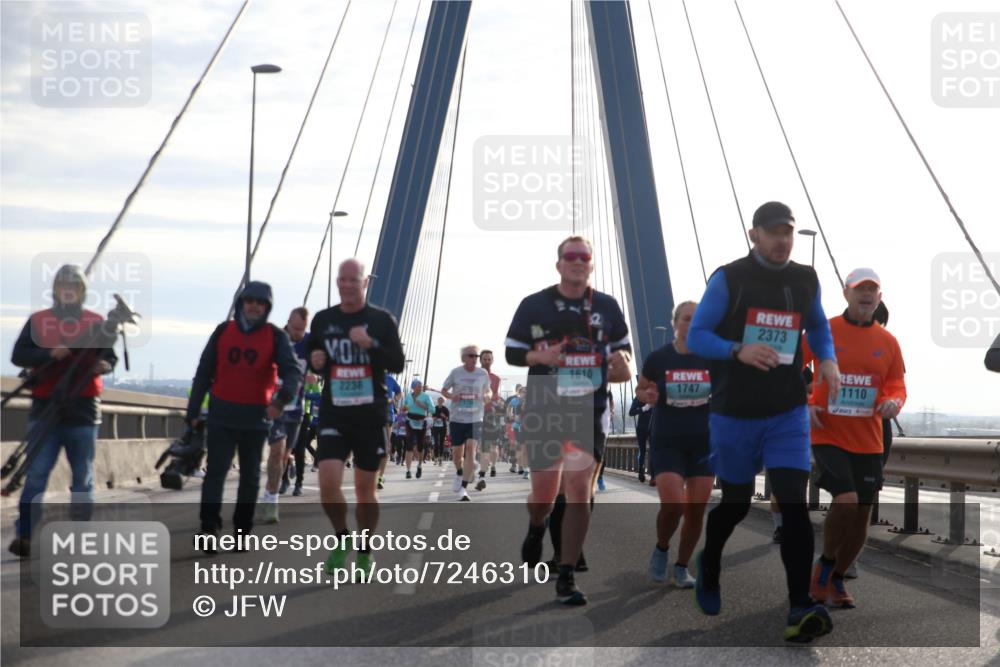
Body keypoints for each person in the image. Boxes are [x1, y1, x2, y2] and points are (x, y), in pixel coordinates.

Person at [687, 201, 839, 641]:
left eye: (788, 232)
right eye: (773, 233)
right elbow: (698, 335)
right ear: (753, 234)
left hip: (787, 410)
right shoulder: (729, 278)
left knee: (792, 502)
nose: (782, 241)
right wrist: (738, 350)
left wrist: (826, 358)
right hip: (734, 412)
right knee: (735, 501)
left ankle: (798, 607)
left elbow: (817, 326)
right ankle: (709, 561)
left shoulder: (804, 278)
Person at [506, 235, 632, 605]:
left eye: (584, 257)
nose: (577, 262)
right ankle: (536, 526)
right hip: (546, 404)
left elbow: (623, 357)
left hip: (589, 408)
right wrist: (540, 358)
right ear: (559, 264)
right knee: (545, 495)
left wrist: (623, 363)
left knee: (580, 489)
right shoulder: (535, 305)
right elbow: (513, 352)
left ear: (591, 264)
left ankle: (566, 574)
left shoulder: (607, 307)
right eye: (570, 256)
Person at [806, 268, 906, 608]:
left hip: (869, 438)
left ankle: (836, 576)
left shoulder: (888, 342)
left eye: (871, 290)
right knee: (845, 499)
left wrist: (894, 400)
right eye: (858, 289)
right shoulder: (824, 331)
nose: (865, 294)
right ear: (846, 294)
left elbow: (896, 384)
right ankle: (825, 566)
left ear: (879, 297)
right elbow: (789, 365)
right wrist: (803, 402)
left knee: (862, 513)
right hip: (828, 433)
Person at [8, 264, 118, 558]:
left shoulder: (96, 322)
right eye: (63, 287)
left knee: (82, 477)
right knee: (36, 475)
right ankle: (26, 534)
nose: (68, 291)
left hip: (82, 409)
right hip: (46, 408)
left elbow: (110, 356)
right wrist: (48, 353)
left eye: (73, 287)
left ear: (81, 292)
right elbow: (18, 355)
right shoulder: (39, 321)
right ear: (56, 290)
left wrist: (103, 365)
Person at [307, 258, 404, 578]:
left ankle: (365, 549)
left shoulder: (381, 320)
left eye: (354, 279)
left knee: (365, 491)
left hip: (369, 413)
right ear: (337, 283)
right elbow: (314, 357)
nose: (348, 285)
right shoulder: (323, 320)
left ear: (365, 283)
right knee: (328, 483)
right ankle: (341, 539)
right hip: (335, 410)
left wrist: (371, 344)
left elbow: (397, 363)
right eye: (343, 279)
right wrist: (316, 360)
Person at [188, 281, 302, 551]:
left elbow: (293, 373)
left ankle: (241, 530)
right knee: (215, 473)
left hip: (255, 418)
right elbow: (204, 371)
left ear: (267, 307)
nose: (254, 306)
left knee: (250, 477)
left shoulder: (275, 337)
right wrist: (193, 411)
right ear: (241, 303)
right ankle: (209, 528)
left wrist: (280, 402)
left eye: (260, 302)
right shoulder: (223, 331)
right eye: (249, 300)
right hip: (221, 415)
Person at [637, 301, 714, 588]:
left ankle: (682, 567)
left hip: (703, 443)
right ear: (675, 323)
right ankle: (661, 547)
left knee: (696, 510)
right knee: (674, 506)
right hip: (668, 441)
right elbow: (641, 387)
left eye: (698, 320)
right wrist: (646, 396)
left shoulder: (712, 358)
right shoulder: (659, 358)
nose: (691, 325)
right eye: (686, 319)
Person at [261, 307, 311, 522]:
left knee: (285, 455)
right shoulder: (275, 339)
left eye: (302, 329)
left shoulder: (309, 342)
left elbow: (325, 361)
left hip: (297, 410)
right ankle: (271, 499)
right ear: (288, 322)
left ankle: (278, 481)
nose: (298, 333)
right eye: (295, 328)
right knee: (277, 452)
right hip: (276, 407)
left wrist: (317, 370)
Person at [440, 345, 492, 501]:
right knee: (457, 454)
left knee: (471, 448)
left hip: (475, 418)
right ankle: (459, 472)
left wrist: (488, 395)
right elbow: (444, 390)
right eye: (471, 355)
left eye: (476, 356)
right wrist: (451, 397)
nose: (474, 359)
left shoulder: (482, 373)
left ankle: (463, 488)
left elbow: (488, 390)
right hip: (457, 418)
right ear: (463, 358)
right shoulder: (456, 373)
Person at [292, 376, 322, 495]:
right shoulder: (311, 392)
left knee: (319, 444)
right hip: (312, 421)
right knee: (305, 443)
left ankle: (316, 463)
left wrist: (303, 392)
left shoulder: (318, 392)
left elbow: (312, 395)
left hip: (316, 421)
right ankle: (316, 458)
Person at [478, 349, 504, 486]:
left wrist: (490, 399)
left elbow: (494, 396)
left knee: (489, 444)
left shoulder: (496, 378)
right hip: (474, 413)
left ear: (492, 361)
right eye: (484, 359)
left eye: (489, 359)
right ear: (480, 360)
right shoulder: (473, 375)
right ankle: (483, 466)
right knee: (477, 444)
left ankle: (489, 468)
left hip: (489, 414)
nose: (487, 361)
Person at [403, 379, 434, 479]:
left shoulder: (426, 396)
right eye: (418, 386)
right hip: (410, 420)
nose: (420, 387)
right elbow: (404, 407)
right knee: (409, 445)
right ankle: (408, 471)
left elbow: (432, 410)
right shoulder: (408, 396)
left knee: (420, 446)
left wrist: (422, 405)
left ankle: (419, 466)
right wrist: (405, 408)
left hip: (421, 421)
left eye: (420, 386)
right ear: (413, 387)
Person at [377, 374, 403, 490]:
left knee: (386, 448)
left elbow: (400, 392)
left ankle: (380, 477)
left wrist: (394, 399)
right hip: (370, 415)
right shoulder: (367, 374)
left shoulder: (390, 379)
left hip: (387, 415)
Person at [628, 393, 653, 484]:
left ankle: (653, 476)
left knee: (653, 450)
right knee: (642, 451)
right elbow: (631, 412)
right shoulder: (639, 397)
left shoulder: (655, 396)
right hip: (641, 429)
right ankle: (641, 473)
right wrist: (643, 409)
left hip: (652, 428)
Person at [431, 397, 450, 466]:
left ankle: (440, 459)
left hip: (443, 427)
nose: (440, 402)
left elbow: (448, 418)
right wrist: (434, 418)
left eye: (441, 401)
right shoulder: (434, 408)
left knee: (442, 443)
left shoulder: (445, 409)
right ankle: (435, 458)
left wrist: (444, 416)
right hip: (436, 427)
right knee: (436, 442)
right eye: (439, 400)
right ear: (437, 401)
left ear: (443, 402)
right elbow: (432, 416)